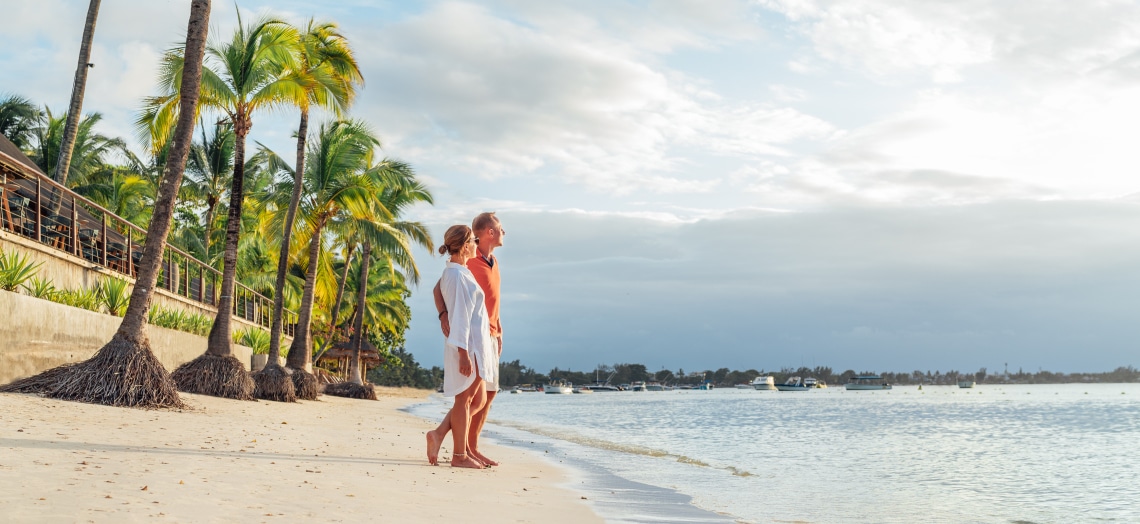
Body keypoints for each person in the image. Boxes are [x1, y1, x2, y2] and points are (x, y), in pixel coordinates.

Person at [426, 212, 505, 467]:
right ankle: (460, 454)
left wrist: (498, 328)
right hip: (469, 345)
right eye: (471, 240)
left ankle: (455, 444)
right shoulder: (460, 273)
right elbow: (459, 314)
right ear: (465, 245)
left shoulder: (462, 270)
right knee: (465, 399)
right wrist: (461, 351)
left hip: (481, 341)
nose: (475, 243)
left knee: (479, 399)